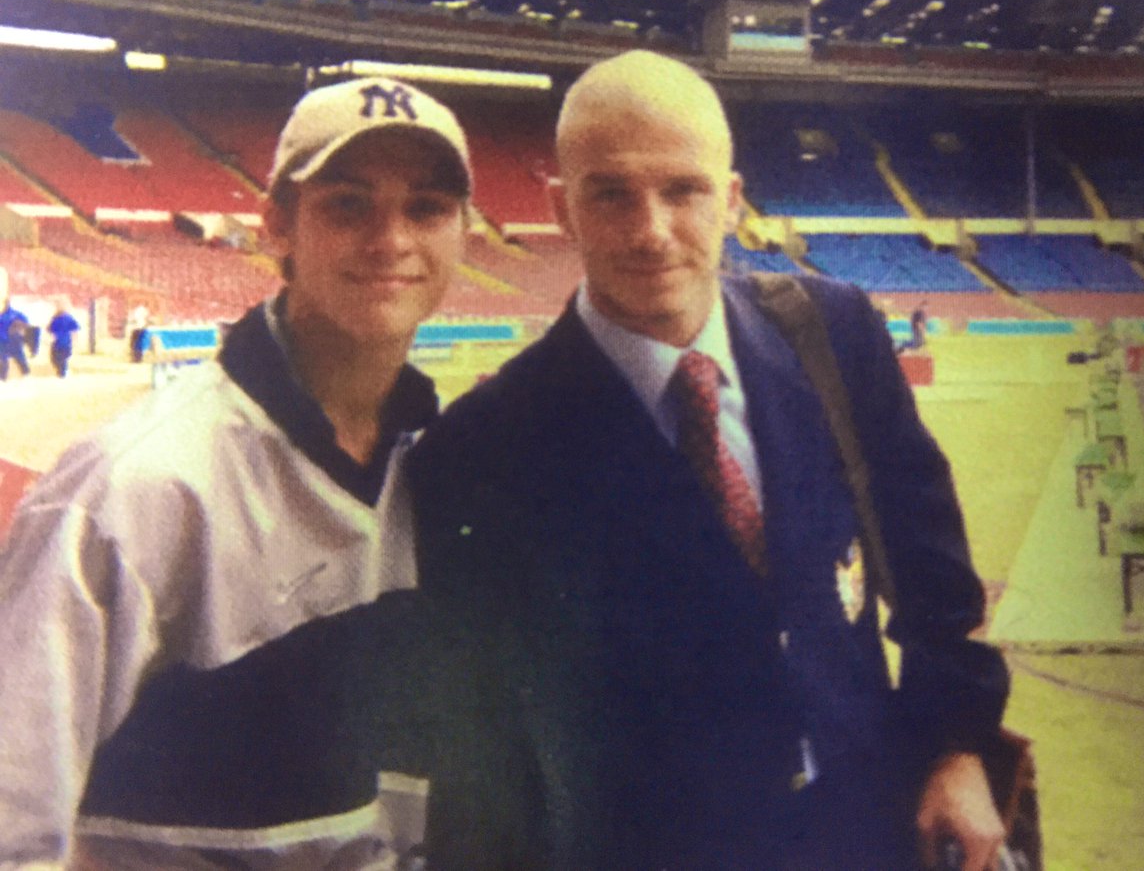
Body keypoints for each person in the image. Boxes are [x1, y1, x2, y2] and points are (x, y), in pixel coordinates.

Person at [403, 50, 1009, 870]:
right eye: (611, 192)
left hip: (865, 831)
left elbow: (934, 574)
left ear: (729, 201)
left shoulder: (835, 337)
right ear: (562, 208)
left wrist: (955, 746)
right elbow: (486, 760)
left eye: (682, 191)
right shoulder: (482, 447)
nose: (650, 231)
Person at [0, 76, 470, 868]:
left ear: (462, 231)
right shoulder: (130, 489)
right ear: (275, 228)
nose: (391, 239)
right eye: (348, 205)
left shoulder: (454, 471)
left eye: (425, 208)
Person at [46, 297, 81, 378]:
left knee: (60, 358)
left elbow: (74, 329)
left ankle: (62, 373)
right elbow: (50, 329)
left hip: (63, 342)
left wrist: (75, 339)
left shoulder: (66, 318)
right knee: (57, 358)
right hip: (60, 342)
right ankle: (61, 371)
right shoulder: (57, 318)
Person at [0, 298, 31, 381]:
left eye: (5, 302)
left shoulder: (15, 314)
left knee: (20, 359)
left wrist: (17, 326)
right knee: (3, 361)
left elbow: (26, 324)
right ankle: (2, 380)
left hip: (14, 340)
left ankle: (27, 377)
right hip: (2, 341)